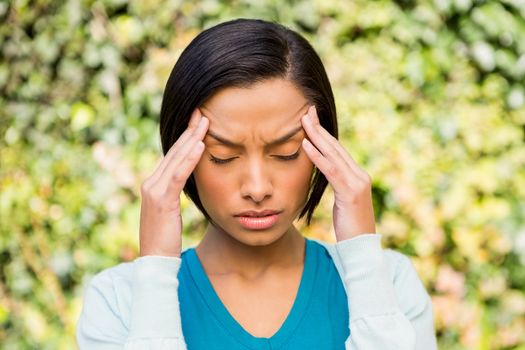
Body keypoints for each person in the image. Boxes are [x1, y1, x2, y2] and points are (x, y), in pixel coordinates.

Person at [76, 18, 437, 349]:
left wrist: (362, 252)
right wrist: (155, 266)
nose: (258, 187)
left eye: (286, 152)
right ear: (180, 155)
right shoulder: (119, 300)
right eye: (222, 156)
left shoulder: (388, 284)